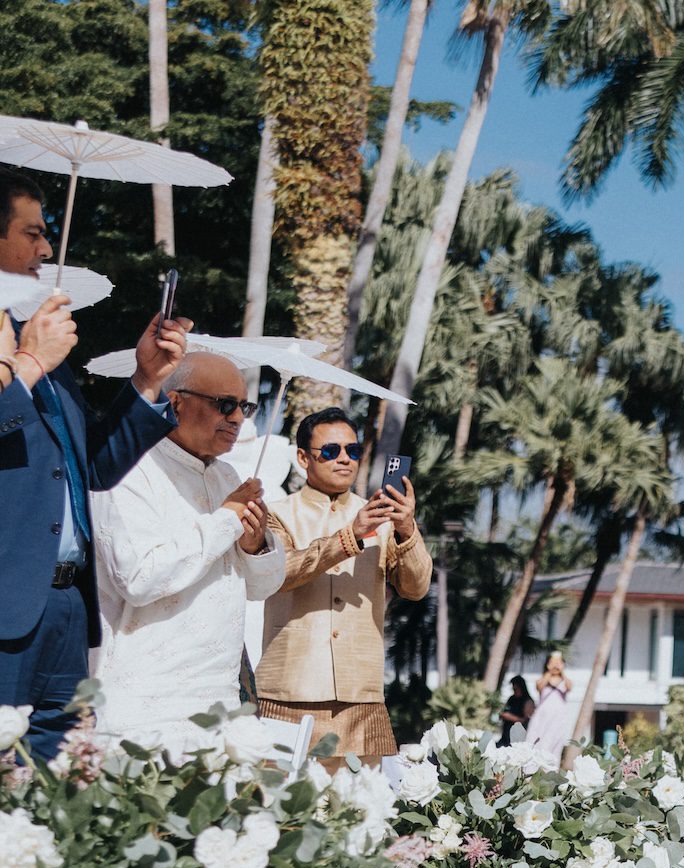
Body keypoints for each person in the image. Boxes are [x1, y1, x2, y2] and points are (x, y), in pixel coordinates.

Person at [0, 170, 187, 759]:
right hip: (4, 607)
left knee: (58, 794)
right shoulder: (38, 350)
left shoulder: (44, 351)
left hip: (65, 608)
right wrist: (28, 362)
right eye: (32, 232)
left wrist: (147, 377)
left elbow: (93, 469)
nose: (46, 249)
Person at [89, 351, 286, 747]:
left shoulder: (227, 475)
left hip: (222, 699)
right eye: (224, 405)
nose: (237, 419)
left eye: (245, 407)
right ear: (175, 401)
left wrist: (255, 544)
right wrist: (228, 520)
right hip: (148, 700)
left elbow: (262, 587)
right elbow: (139, 578)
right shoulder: (127, 469)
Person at [254, 407, 432, 762]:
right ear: (303, 457)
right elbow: (278, 573)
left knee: (364, 809)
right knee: (281, 807)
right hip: (289, 691)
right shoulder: (276, 513)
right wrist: (350, 536)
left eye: (353, 451)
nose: (344, 460)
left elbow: (416, 588)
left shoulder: (382, 517)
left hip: (361, 695)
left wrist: (408, 529)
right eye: (331, 451)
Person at [522, 652, 574, 767]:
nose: (556, 665)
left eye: (559, 662)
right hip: (542, 717)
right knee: (536, 743)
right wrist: (550, 671)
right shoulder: (542, 679)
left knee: (553, 745)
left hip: (557, 718)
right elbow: (539, 687)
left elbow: (569, 687)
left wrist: (561, 671)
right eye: (553, 662)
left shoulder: (565, 681)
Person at [498, 675, 534, 745]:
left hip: (518, 736)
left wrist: (510, 717)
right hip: (506, 734)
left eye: (516, 688)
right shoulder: (511, 699)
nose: (514, 690)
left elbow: (526, 720)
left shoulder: (528, 701)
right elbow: (505, 710)